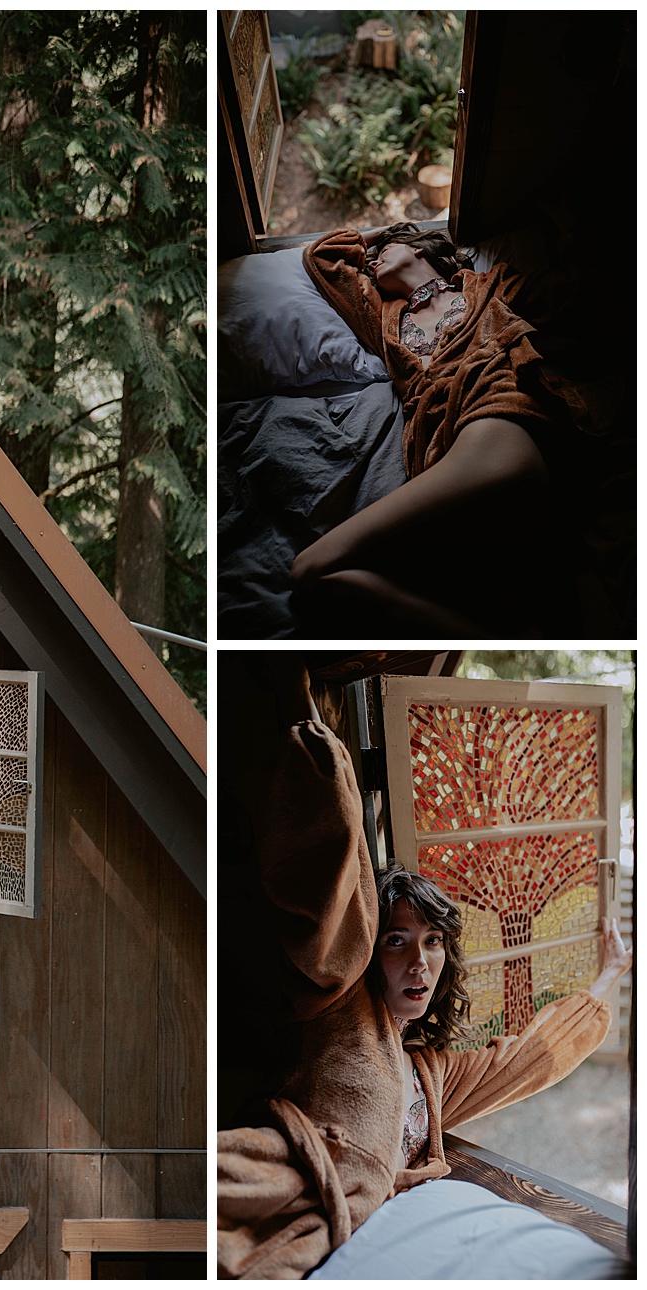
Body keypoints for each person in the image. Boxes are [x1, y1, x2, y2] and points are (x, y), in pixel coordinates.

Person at [216, 661, 632, 1279]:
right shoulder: (339, 1009)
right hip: (286, 1193)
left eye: (434, 941)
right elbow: (329, 890)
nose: (419, 961)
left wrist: (607, 980)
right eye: (396, 941)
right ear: (368, 949)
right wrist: (302, 717)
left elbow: (528, 1058)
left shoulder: (433, 1074)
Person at [289, 222, 567, 632]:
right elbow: (322, 257)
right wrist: (387, 234)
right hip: (437, 451)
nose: (371, 257)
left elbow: (577, 296)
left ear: (420, 250)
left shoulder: (491, 286)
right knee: (315, 577)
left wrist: (415, 233)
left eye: (387, 248)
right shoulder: (383, 317)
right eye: (372, 253)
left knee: (308, 565)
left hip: (497, 422)